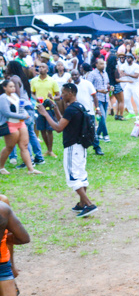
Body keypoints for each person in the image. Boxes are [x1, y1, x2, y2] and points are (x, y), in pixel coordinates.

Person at [36, 83, 98, 217]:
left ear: (70, 93)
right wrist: (55, 108)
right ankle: (81, 204)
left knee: (73, 177)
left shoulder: (71, 109)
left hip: (72, 147)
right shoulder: (79, 106)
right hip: (81, 146)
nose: (61, 95)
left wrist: (45, 114)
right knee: (81, 175)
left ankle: (89, 204)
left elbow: (58, 128)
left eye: (63, 93)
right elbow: (63, 121)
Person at [0, 80, 37, 175]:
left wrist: (25, 113)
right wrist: (23, 116)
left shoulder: (15, 96)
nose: (13, 88)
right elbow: (7, 113)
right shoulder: (3, 98)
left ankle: (31, 169)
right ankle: (1, 167)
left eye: (14, 86)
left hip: (21, 123)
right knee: (10, 147)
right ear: (4, 87)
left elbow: (21, 108)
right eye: (10, 86)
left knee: (24, 146)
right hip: (10, 124)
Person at [31, 62, 61, 155]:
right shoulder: (34, 81)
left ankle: (50, 150)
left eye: (43, 67)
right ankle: (48, 150)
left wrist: (52, 97)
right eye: (39, 67)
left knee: (49, 130)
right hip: (39, 107)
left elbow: (58, 95)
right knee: (42, 130)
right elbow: (32, 93)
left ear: (47, 70)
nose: (41, 68)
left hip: (49, 108)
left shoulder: (52, 81)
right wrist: (36, 98)